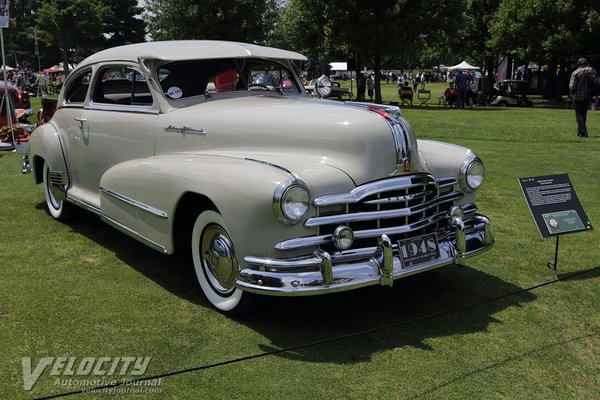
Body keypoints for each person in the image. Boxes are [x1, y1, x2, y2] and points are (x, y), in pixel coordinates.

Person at [569, 57, 597, 138]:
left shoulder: (576, 73)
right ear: (587, 63)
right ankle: (580, 132)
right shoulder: (591, 70)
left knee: (579, 115)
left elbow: (572, 86)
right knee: (584, 114)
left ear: (578, 64)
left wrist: (572, 95)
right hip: (588, 95)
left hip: (578, 96)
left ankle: (584, 133)